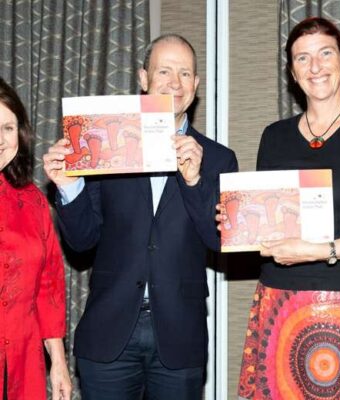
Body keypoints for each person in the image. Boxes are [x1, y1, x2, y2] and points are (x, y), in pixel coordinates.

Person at [43, 34, 238, 399]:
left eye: (184, 73)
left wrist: (195, 181)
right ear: (143, 78)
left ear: (196, 85)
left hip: (180, 335)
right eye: (164, 71)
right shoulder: (106, 144)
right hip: (109, 331)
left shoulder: (218, 158)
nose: (174, 83)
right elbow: (83, 241)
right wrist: (69, 188)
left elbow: (220, 241)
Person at [231, 17, 340, 399]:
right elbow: (271, 226)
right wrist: (237, 221)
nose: (315, 67)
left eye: (325, 53)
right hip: (281, 301)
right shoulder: (274, 137)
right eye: (302, 58)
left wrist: (318, 251)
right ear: (292, 73)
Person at [0, 78, 72, 400]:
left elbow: (49, 285)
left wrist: (57, 361)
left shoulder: (33, 201)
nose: (0, 139)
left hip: (25, 358)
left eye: (8, 128)